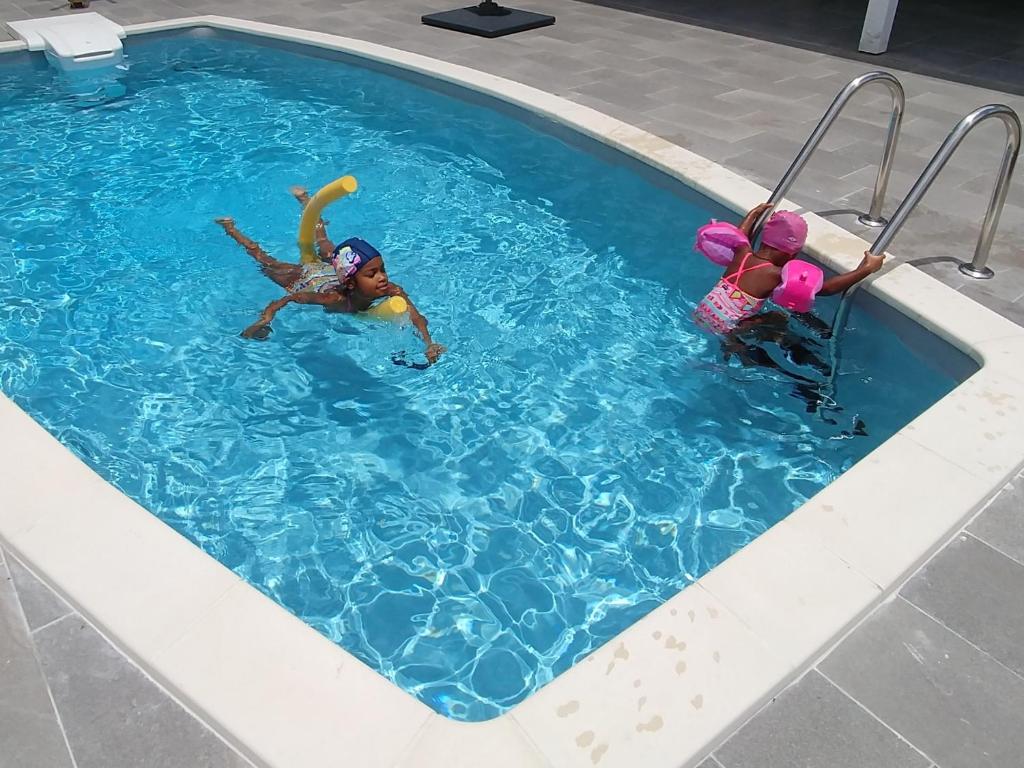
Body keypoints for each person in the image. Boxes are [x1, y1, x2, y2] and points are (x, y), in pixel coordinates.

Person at [215, 187, 445, 365]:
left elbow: (417, 318)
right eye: (372, 274)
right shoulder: (334, 299)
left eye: (382, 269)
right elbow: (293, 298)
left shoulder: (392, 290)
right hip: (305, 278)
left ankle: (306, 201)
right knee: (264, 259)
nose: (382, 278)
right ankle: (230, 228)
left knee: (325, 244)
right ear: (351, 282)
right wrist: (267, 317)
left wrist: (428, 343)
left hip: (331, 270)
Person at [693, 202, 885, 335]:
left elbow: (740, 235)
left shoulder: (743, 253)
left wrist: (753, 214)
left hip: (703, 313)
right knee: (778, 318)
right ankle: (745, 346)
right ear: (791, 255)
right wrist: (866, 268)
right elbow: (825, 289)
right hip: (730, 327)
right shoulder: (775, 274)